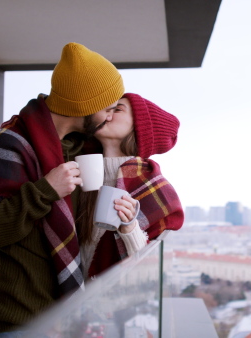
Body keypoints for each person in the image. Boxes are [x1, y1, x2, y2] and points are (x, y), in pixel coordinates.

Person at [0, 42, 131, 337]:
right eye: (107, 108)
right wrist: (45, 190)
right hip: (15, 325)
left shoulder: (81, 149)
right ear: (83, 106)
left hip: (65, 324)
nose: (110, 116)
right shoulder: (9, 145)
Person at [75, 93, 185, 279]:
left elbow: (143, 265)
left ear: (139, 128)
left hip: (102, 299)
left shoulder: (153, 187)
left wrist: (130, 227)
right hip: (65, 296)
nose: (106, 113)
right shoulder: (77, 167)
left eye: (117, 109)